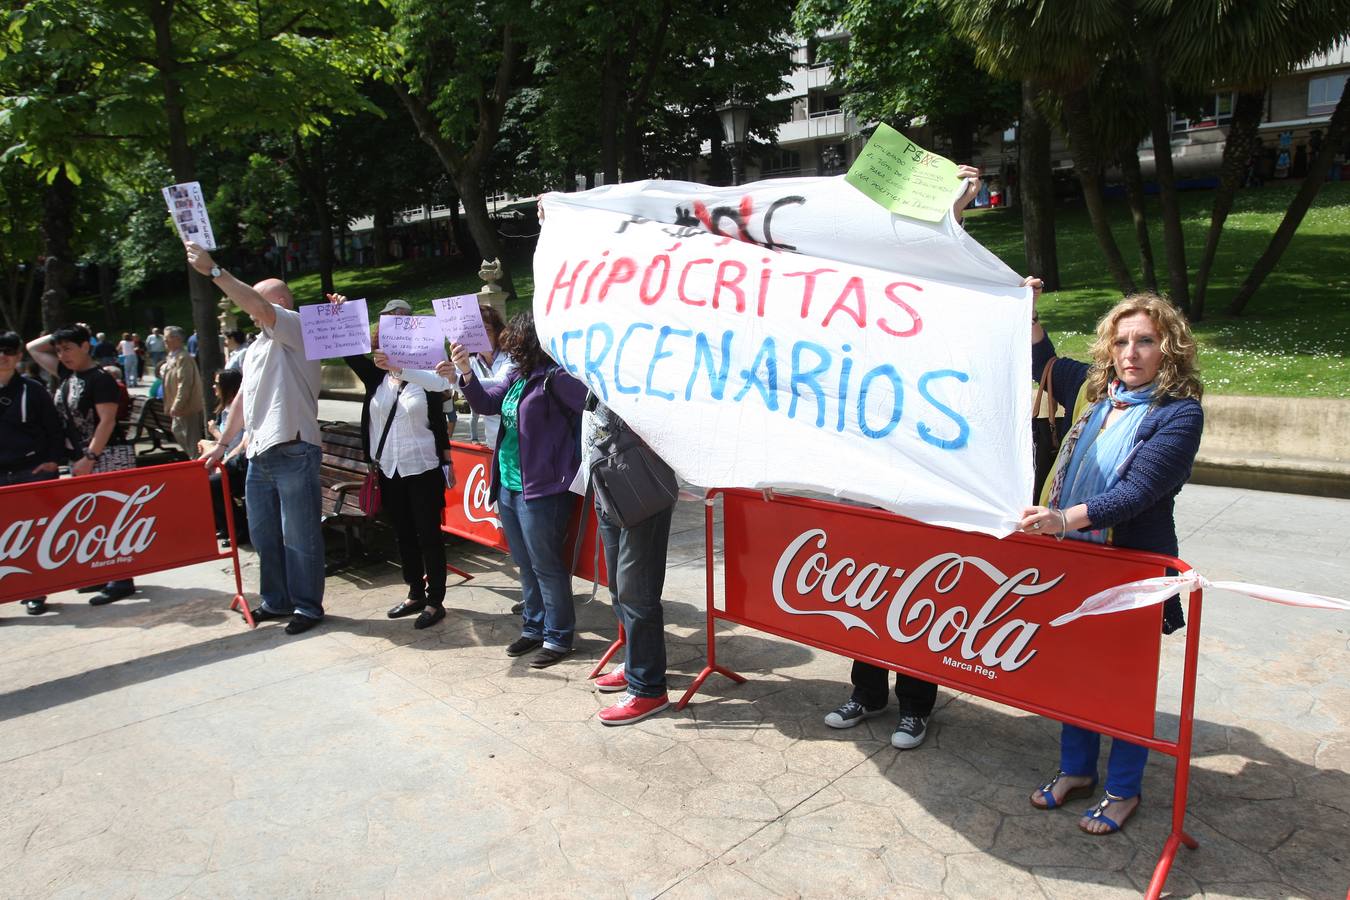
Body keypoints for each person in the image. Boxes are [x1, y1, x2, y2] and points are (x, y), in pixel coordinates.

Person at [1022, 290, 1204, 836]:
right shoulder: (1096, 393)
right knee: (1073, 669)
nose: (1132, 353)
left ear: (1168, 349)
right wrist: (1024, 307)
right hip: (1076, 558)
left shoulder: (1180, 413)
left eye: (1146, 341)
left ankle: (1123, 789)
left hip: (1133, 563)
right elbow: (1042, 362)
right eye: (1122, 341)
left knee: (1124, 680)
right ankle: (1077, 769)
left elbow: (1137, 492)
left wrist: (1059, 519)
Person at [821, 164, 986, 750]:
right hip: (870, 479)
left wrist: (956, 211)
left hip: (925, 476)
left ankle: (916, 704)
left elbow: (944, 276)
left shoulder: (932, 325)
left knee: (915, 595)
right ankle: (867, 692)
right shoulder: (860, 319)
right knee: (865, 593)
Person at [187, 241, 326, 635]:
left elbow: (260, 307)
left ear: (280, 302)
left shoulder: (298, 326)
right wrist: (223, 442)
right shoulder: (256, 348)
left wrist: (215, 272)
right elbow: (242, 401)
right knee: (265, 534)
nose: (248, 311)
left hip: (295, 445)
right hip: (259, 450)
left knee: (299, 535)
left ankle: (307, 606)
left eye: (254, 302)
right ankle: (276, 600)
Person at [443, 312, 587, 668]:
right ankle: (534, 627)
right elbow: (486, 402)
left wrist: (569, 462)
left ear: (528, 343)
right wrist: (464, 371)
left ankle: (558, 636)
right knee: (524, 562)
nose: (508, 348)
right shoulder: (518, 375)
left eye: (514, 343)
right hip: (508, 483)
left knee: (547, 566)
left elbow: (591, 412)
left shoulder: (558, 378)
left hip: (543, 489)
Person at [333, 294, 454, 629]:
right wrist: (343, 313)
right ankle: (415, 591)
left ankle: (435, 601)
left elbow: (441, 412)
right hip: (389, 468)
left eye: (404, 320)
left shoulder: (428, 374)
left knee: (428, 534)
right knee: (403, 532)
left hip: (422, 467)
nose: (398, 327)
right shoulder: (377, 375)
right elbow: (346, 349)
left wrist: (447, 460)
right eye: (391, 322)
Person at [26, 324, 139, 606]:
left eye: (69, 348)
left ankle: (122, 579)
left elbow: (107, 421)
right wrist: (68, 332)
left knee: (112, 518)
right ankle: (103, 573)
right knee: (92, 519)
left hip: (104, 456)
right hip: (81, 458)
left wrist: (89, 457)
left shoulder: (100, 379)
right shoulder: (68, 374)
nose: (62, 354)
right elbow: (32, 348)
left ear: (86, 346)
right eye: (59, 349)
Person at [586, 401, 678, 725]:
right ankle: (636, 662)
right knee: (619, 588)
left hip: (638, 477)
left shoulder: (643, 361)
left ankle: (648, 688)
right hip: (607, 479)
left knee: (637, 592)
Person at [0, 331, 65, 615]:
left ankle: (34, 592)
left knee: (32, 536)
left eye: (8, 351)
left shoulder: (32, 389)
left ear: (18, 356)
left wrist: (52, 461)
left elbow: (54, 428)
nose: (2, 356)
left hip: (30, 472)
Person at [201, 368, 249, 544]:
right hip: (228, 460)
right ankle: (224, 526)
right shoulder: (224, 410)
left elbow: (239, 443)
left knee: (213, 484)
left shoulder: (241, 409)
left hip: (241, 462)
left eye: (217, 384)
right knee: (201, 480)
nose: (214, 387)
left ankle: (239, 529)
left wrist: (214, 431)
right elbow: (226, 442)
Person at [466, 304, 514, 445]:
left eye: (486, 330)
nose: (480, 336)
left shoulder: (512, 356)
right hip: (493, 443)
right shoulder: (471, 362)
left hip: (519, 441)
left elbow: (500, 382)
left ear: (497, 332)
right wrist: (401, 371)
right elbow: (441, 382)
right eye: (475, 332)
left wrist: (461, 378)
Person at [161, 326, 206, 458]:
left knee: (192, 440)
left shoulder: (183, 358)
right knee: (178, 432)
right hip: (178, 407)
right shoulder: (172, 357)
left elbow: (185, 383)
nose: (164, 340)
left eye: (167, 337)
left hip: (186, 407)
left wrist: (177, 405)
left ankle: (199, 467)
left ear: (177, 339)